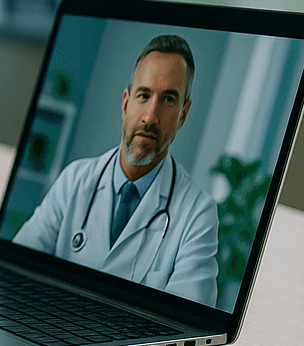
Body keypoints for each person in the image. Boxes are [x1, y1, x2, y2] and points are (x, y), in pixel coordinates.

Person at [11, 35, 219, 306]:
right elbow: (15, 270)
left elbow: (188, 318)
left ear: (182, 114)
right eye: (143, 95)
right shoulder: (75, 179)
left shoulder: (198, 214)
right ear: (125, 103)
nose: (150, 117)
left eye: (168, 99)